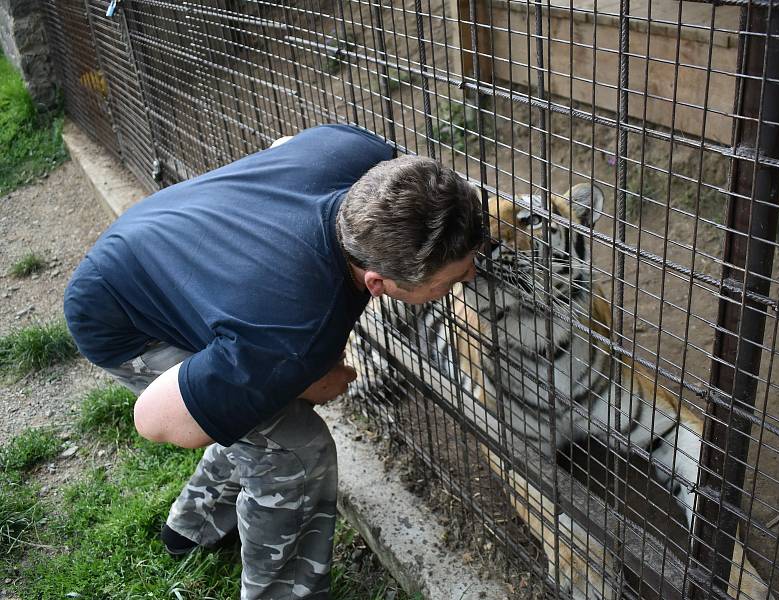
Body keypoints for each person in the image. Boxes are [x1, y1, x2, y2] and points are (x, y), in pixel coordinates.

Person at [63, 123, 483, 599]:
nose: (470, 274)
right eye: (451, 279)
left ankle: (193, 526)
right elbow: (157, 420)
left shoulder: (362, 157)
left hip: (158, 235)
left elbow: (282, 150)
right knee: (296, 451)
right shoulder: (291, 336)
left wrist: (271, 381)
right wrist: (296, 381)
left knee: (248, 408)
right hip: (120, 318)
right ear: (377, 283)